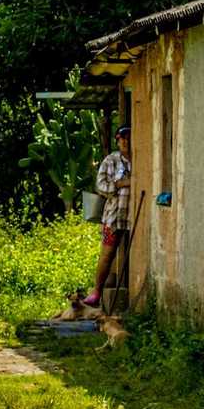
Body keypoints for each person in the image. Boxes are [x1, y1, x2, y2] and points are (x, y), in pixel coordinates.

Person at [84, 126, 131, 307]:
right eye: (122, 138)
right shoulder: (111, 160)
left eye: (128, 137)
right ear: (117, 141)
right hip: (114, 216)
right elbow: (100, 186)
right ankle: (96, 290)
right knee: (107, 253)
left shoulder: (139, 159)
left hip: (134, 214)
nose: (126, 141)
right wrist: (120, 183)